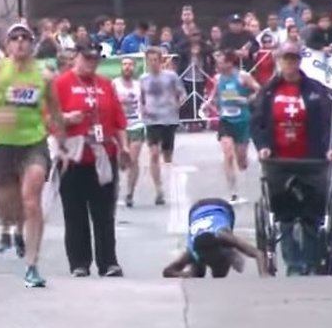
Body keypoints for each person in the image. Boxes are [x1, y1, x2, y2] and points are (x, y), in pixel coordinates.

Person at [0, 23, 65, 288]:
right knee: (8, 207)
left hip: (33, 143)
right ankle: (13, 228)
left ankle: (32, 265)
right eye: (14, 38)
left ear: (32, 44)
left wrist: (63, 141)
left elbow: (56, 111)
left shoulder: (45, 75)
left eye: (25, 38)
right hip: (1, 145)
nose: (19, 43)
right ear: (6, 45)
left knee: (32, 200)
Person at [250, 43, 332, 276]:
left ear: (300, 62)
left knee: (311, 211)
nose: (290, 64)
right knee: (286, 213)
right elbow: (257, 123)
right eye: (286, 60)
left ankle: (311, 260)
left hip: (310, 159)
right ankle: (293, 262)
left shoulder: (315, 90)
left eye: (294, 60)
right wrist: (263, 147)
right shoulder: (269, 91)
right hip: (279, 160)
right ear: (279, 61)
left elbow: (328, 123)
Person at [54, 43, 129, 278]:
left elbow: (118, 120)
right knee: (74, 212)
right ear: (75, 58)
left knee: (104, 212)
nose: (91, 64)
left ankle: (108, 262)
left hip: (102, 154)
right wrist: (66, 118)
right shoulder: (61, 84)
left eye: (95, 60)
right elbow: (47, 118)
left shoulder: (105, 85)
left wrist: (124, 147)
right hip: (73, 156)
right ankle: (79, 262)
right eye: (86, 59)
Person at [203, 50, 260, 204]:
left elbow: (259, 89)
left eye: (220, 62)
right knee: (228, 154)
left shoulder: (242, 76)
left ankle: (243, 160)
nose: (217, 65)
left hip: (242, 120)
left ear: (229, 63)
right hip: (226, 120)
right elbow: (215, 94)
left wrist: (247, 100)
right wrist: (208, 103)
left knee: (241, 161)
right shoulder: (217, 78)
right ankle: (233, 193)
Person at [163, 198, 268, 278]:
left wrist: (264, 275)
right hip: (196, 211)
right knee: (198, 274)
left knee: (219, 274)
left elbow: (258, 253)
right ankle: (215, 261)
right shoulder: (191, 252)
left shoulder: (223, 236)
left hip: (221, 207)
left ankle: (228, 254)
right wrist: (188, 274)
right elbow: (167, 271)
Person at [141, 47, 187, 205]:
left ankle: (169, 183)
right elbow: (141, 98)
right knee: (153, 153)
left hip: (169, 118)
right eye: (150, 60)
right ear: (146, 61)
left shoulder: (171, 76)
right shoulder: (143, 78)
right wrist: (143, 110)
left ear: (161, 61)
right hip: (152, 120)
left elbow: (182, 93)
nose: (153, 63)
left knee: (167, 156)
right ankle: (159, 190)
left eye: (156, 60)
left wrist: (178, 104)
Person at [112, 57, 144, 207]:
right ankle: (115, 186)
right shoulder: (115, 84)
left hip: (136, 124)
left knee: (133, 159)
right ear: (121, 67)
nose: (127, 67)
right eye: (125, 64)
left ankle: (130, 192)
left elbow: (144, 102)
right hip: (119, 127)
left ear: (134, 68)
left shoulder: (139, 85)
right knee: (120, 161)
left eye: (130, 65)